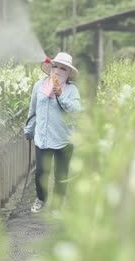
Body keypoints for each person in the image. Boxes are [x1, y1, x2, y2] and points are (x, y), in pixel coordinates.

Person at [24, 52, 82, 216]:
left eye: (62, 69)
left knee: (61, 174)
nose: (57, 71)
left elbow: (76, 111)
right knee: (41, 171)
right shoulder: (38, 86)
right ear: (50, 67)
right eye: (55, 66)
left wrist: (61, 95)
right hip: (42, 138)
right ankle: (41, 199)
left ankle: (57, 207)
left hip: (64, 139)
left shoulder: (71, 90)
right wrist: (29, 130)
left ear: (68, 73)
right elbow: (33, 110)